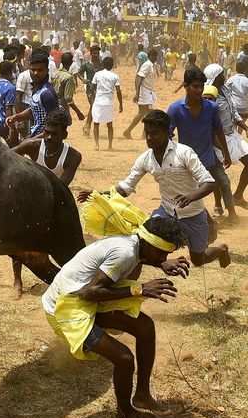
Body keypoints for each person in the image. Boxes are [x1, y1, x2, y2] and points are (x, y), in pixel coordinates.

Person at [42, 214, 188, 418]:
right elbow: (89, 293)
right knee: (124, 359)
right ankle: (125, 411)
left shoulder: (136, 243)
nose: (164, 259)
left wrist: (160, 264)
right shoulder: (125, 253)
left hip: (83, 298)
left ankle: (143, 396)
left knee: (145, 327)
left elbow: (143, 255)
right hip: (65, 307)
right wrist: (139, 289)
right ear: (150, 244)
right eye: (162, 254)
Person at [80, 109, 230, 267]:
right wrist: (98, 195)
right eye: (147, 133)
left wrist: (191, 196)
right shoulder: (145, 159)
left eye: (155, 133)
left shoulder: (184, 153)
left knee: (198, 260)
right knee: (144, 242)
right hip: (166, 211)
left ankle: (220, 251)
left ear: (167, 132)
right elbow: (125, 188)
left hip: (193, 214)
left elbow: (210, 183)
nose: (150, 138)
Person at [11, 109, 82, 296]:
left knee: (67, 246)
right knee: (18, 240)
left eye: (54, 134)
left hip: (57, 203)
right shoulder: (32, 146)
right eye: (47, 132)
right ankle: (17, 280)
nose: (49, 137)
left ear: (65, 134)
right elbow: (6, 157)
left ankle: (70, 280)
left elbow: (61, 186)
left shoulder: (73, 156)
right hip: (30, 201)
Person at [168, 67, 237, 223]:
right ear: (185, 86)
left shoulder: (211, 108)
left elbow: (218, 132)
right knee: (191, 193)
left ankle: (231, 213)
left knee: (224, 182)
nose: (199, 90)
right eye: (195, 86)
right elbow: (167, 133)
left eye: (201, 86)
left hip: (209, 157)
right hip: (188, 161)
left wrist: (226, 154)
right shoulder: (175, 109)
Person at [204, 63, 248, 210]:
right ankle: (218, 204)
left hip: (232, 135)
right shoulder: (209, 96)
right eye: (221, 75)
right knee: (218, 174)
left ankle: (238, 196)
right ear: (215, 78)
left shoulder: (225, 89)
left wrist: (244, 126)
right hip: (218, 139)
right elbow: (209, 123)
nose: (224, 77)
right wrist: (221, 148)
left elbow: (233, 111)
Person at [5, 50, 58, 138]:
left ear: (47, 70)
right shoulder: (37, 89)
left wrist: (31, 140)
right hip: (35, 135)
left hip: (45, 141)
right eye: (33, 70)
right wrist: (16, 117)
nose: (36, 73)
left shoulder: (47, 93)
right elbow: (34, 110)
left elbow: (54, 125)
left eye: (40, 70)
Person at [123, 48, 158, 140]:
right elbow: (138, 78)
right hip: (144, 92)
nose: (155, 58)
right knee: (143, 113)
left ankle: (143, 134)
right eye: (154, 56)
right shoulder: (146, 65)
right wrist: (137, 93)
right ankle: (128, 131)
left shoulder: (152, 65)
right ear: (150, 56)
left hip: (149, 92)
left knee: (148, 114)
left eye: (156, 56)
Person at [91, 57, 123, 150]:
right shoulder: (115, 76)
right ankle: (110, 145)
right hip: (109, 102)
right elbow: (118, 91)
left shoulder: (97, 74)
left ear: (103, 64)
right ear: (112, 65)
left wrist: (93, 98)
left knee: (96, 123)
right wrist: (121, 104)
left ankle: (97, 145)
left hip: (98, 101)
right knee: (109, 125)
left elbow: (92, 88)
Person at [52, 52, 84, 124]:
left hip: (52, 105)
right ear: (71, 63)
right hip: (62, 107)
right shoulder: (68, 77)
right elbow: (68, 98)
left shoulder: (55, 74)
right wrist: (78, 112)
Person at [77, 45, 101, 136]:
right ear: (91, 54)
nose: (96, 55)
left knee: (95, 108)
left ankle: (88, 126)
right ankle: (87, 126)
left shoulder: (101, 64)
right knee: (93, 105)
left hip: (99, 89)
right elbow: (79, 73)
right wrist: (83, 80)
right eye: (94, 53)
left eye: (97, 53)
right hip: (90, 89)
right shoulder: (86, 65)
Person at [226, 58, 248, 131]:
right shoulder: (247, 81)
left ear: (236, 69)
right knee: (241, 128)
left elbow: (225, 90)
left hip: (234, 108)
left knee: (233, 127)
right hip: (244, 109)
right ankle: (240, 136)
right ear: (245, 70)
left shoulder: (231, 79)